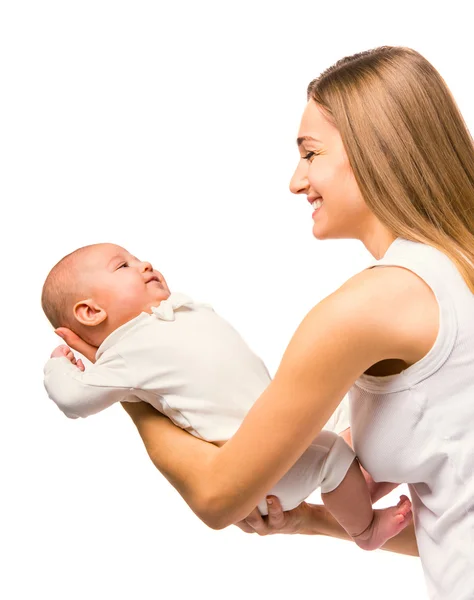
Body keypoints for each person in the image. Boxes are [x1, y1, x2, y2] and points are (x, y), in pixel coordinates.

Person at [56, 46, 474, 599]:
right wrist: (311, 520)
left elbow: (218, 496)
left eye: (310, 153)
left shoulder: (366, 308)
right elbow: (455, 521)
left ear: (377, 151)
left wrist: (122, 371)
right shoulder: (457, 271)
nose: (296, 182)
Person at [42, 242, 411, 550]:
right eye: (123, 265)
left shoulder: (167, 317)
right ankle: (365, 530)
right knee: (334, 454)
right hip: (256, 467)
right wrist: (61, 366)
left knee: (351, 402)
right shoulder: (123, 355)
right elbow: (76, 399)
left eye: (137, 258)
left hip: (279, 434)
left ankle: (362, 479)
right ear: (90, 312)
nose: (144, 264)